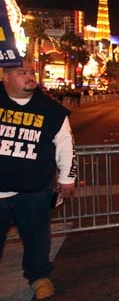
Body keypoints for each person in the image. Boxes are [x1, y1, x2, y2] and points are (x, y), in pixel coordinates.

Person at [0, 60, 77, 300]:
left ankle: (39, 277)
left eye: (31, 72)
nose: (30, 76)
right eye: (22, 73)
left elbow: (65, 145)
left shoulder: (51, 110)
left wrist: (67, 178)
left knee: (37, 238)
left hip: (34, 190)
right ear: (6, 78)